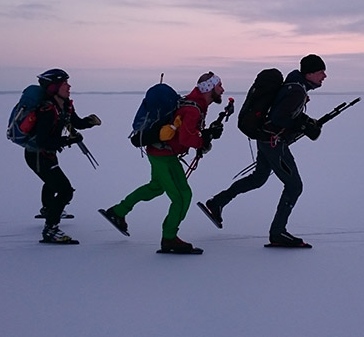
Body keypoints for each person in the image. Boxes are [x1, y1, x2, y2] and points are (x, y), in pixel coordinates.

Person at [200, 55, 327, 247]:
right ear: (309, 73)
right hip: (273, 143)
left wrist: (304, 121)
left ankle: (217, 203)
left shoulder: (294, 85)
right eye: (320, 72)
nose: (324, 76)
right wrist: (304, 125)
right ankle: (278, 233)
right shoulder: (297, 91)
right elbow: (279, 118)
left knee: (258, 178)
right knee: (294, 186)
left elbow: (283, 113)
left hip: (265, 139)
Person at [101, 72, 225, 253]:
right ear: (210, 88)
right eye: (219, 85)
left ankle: (118, 212)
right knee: (182, 196)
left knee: (156, 187)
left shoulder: (195, 104)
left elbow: (186, 133)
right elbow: (185, 138)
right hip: (163, 155)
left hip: (161, 151)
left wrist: (205, 135)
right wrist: (203, 140)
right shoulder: (193, 109)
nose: (222, 89)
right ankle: (169, 238)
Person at [26, 69, 101, 244]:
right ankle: (50, 229)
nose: (69, 86)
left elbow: (75, 122)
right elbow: (43, 141)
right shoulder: (46, 109)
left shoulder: (65, 104)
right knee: (65, 190)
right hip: (37, 155)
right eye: (64, 83)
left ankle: (48, 210)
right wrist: (68, 140)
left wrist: (89, 122)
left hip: (47, 155)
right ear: (53, 87)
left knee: (53, 183)